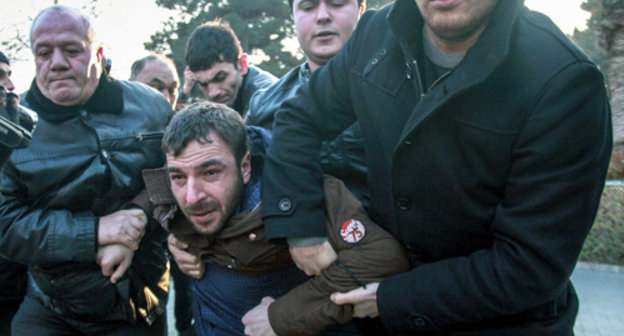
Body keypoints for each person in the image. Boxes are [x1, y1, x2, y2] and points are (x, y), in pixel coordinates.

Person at [259, 0, 613, 335]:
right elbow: (298, 117)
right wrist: (301, 227)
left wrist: (391, 298)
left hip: (503, 323)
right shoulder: (373, 36)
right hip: (382, 320)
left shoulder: (564, 82)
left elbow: (529, 266)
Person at [136, 101, 408, 335]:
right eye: (178, 177)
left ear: (245, 167)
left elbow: (383, 260)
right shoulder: (170, 190)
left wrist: (283, 316)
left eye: (210, 173)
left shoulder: (303, 193)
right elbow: (159, 195)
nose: (192, 197)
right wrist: (174, 236)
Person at [0, 6, 172, 336]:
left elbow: (176, 174)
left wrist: (133, 224)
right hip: (55, 309)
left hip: (142, 302)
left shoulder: (152, 107)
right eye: (44, 52)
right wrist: (94, 232)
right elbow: (4, 223)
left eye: (72, 50)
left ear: (98, 53)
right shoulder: (11, 127)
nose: (58, 62)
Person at [245, 0, 369, 206]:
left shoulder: (405, 86)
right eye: (308, 7)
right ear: (293, 17)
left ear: (361, 11)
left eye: (337, 3)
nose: (322, 16)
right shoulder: (263, 106)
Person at [130, 53, 195, 336]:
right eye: (157, 87)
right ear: (130, 83)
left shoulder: (180, 131)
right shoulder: (105, 131)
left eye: (173, 88)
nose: (167, 96)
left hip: (156, 268)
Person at [0, 51, 34, 336]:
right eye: (0, 75)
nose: (10, 85)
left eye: (9, 74)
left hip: (16, 293)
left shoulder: (16, 135)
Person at [177, 20, 276, 116]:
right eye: (203, 84)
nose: (213, 93)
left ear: (242, 64)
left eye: (220, 78)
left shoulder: (268, 101)